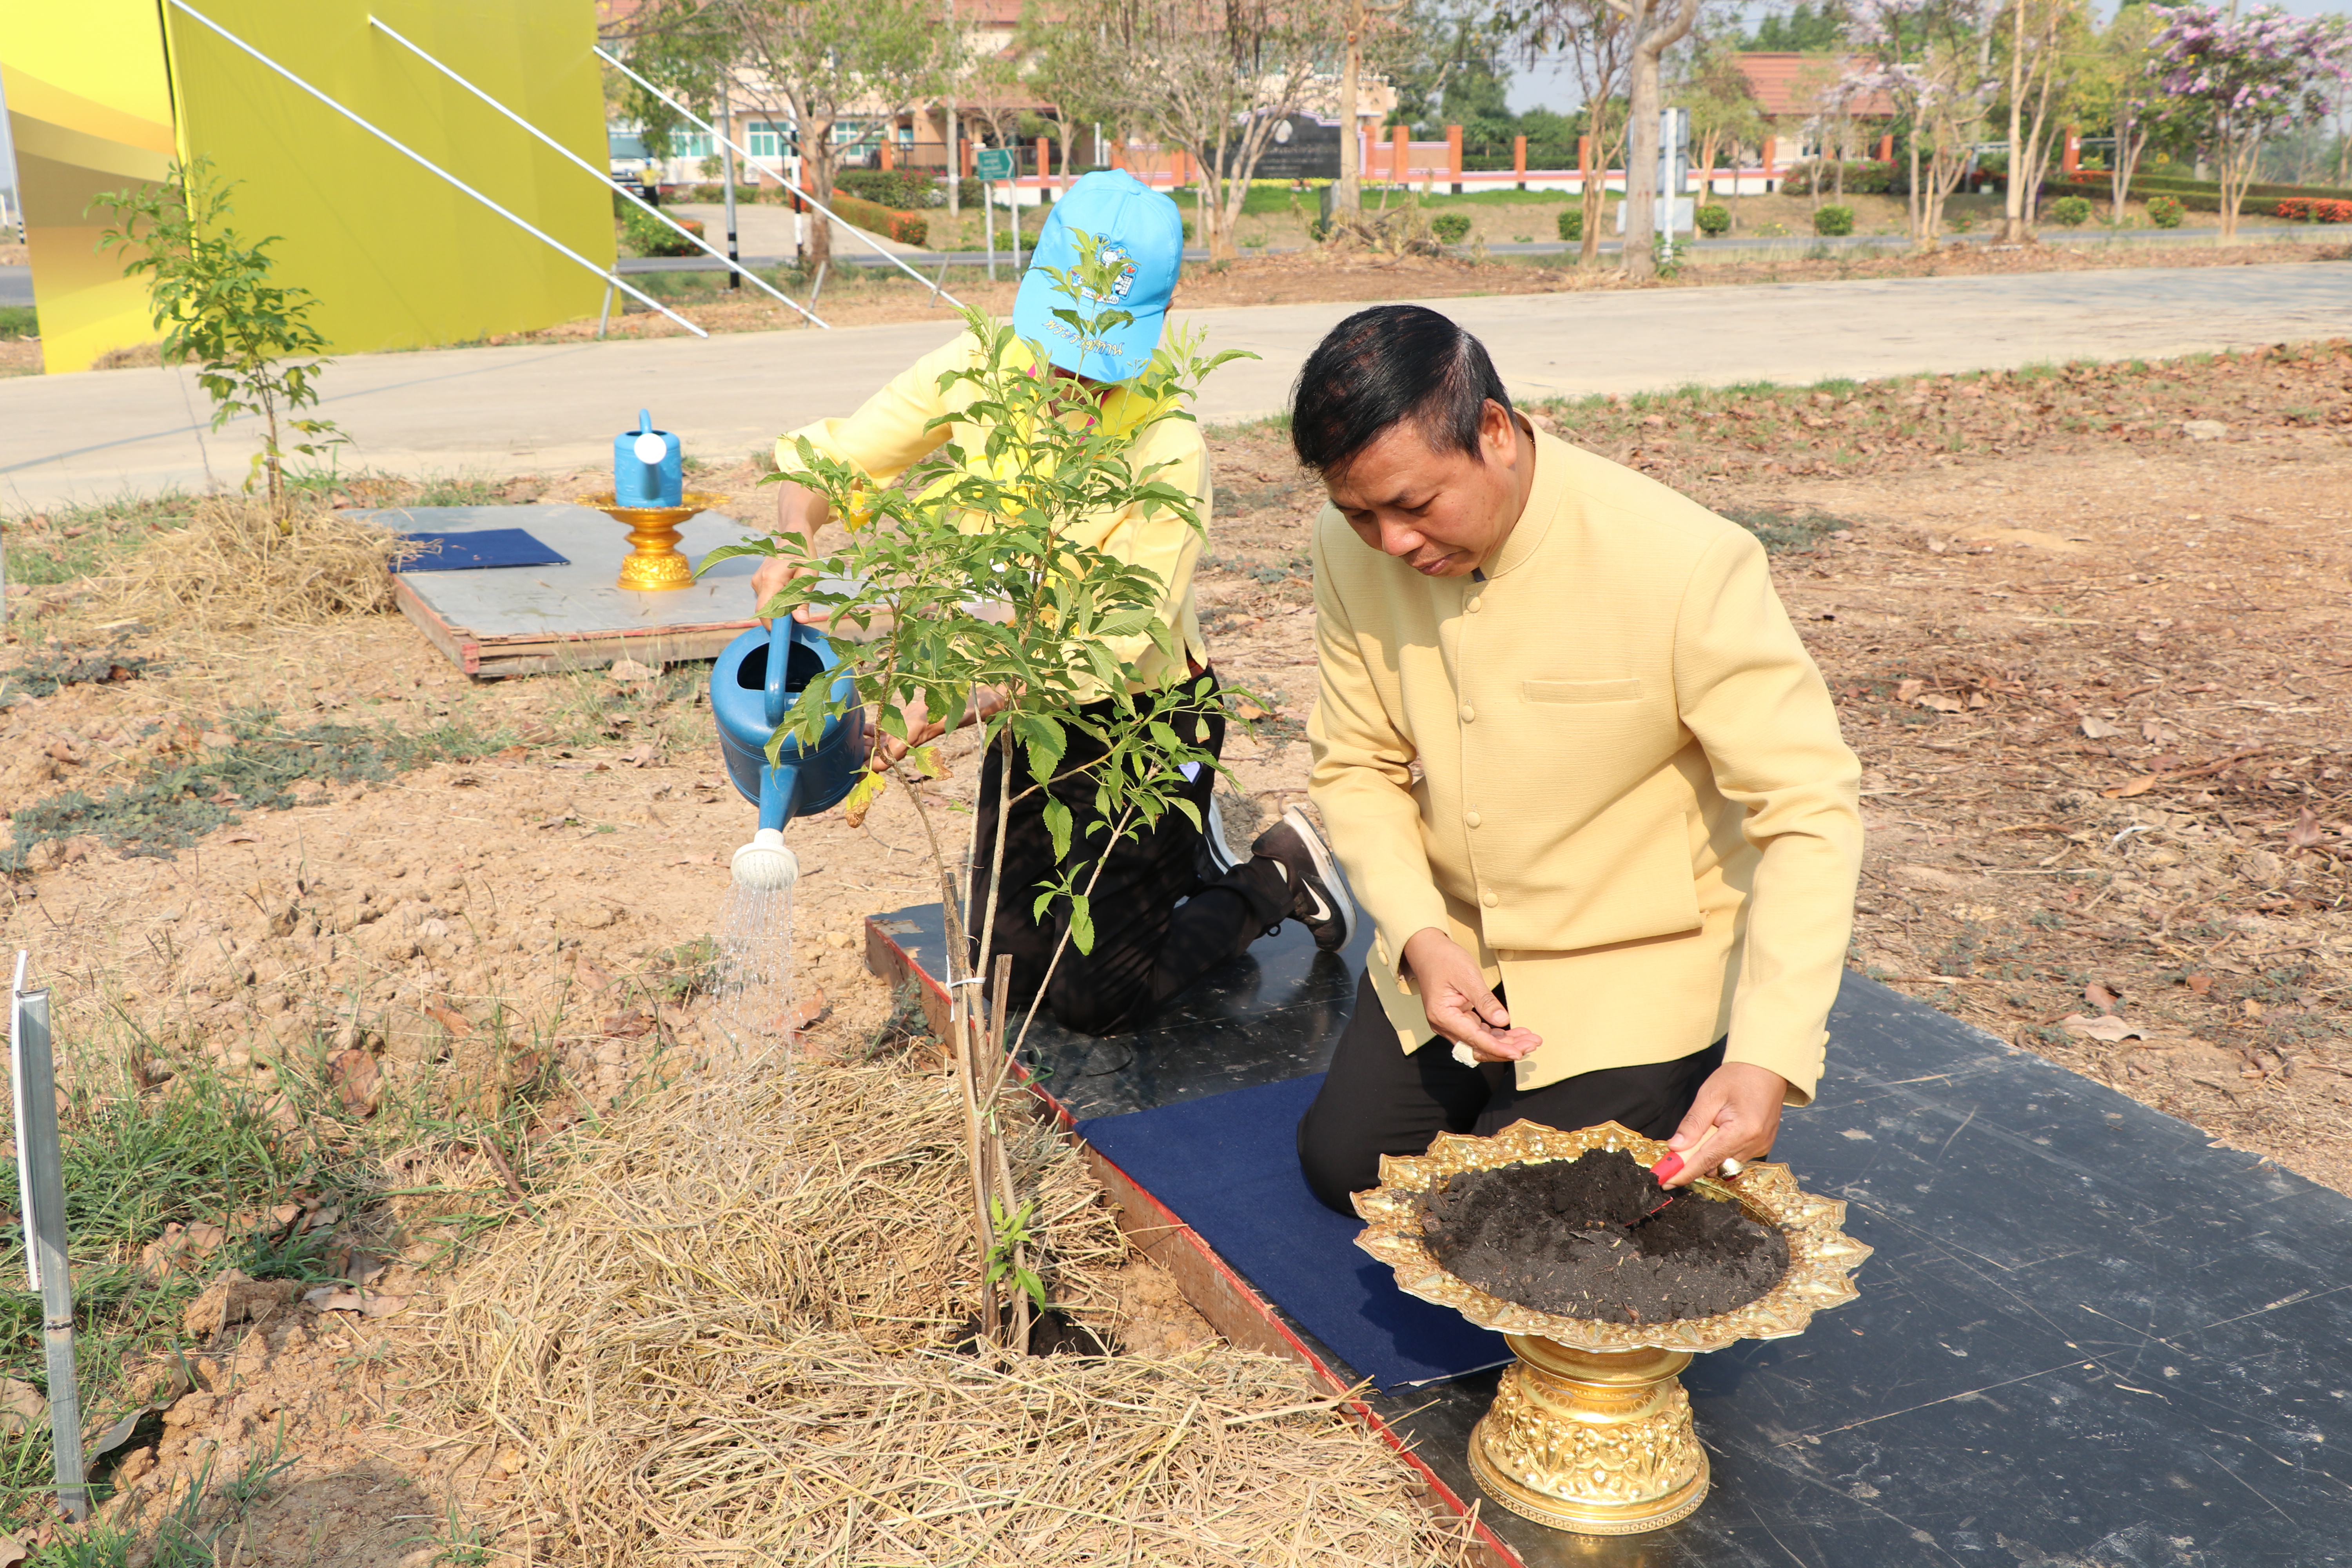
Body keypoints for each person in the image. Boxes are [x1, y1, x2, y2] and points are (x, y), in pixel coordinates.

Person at [749, 169, 1359, 1036]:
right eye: (1059, 348)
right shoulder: (975, 367)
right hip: (1027, 712)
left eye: (1098, 364)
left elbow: (1105, 649)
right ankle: (1180, 856)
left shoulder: (1167, 446)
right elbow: (831, 467)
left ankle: (1272, 877)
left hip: (1140, 721)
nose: (1070, 379)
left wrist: (945, 701)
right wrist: (792, 546)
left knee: (1092, 1003)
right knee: (1007, 968)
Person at [1289, 304, 1863, 1212]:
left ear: (1493, 432)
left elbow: (1809, 810)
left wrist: (1768, 1053)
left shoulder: (1684, 561)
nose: (1391, 542)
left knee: (1518, 1224)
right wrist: (1421, 936)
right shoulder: (1348, 550)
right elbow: (1357, 763)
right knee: (1344, 1168)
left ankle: (1669, 1080)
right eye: (1358, 513)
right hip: (1460, 948)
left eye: (1414, 504)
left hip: (1632, 969)